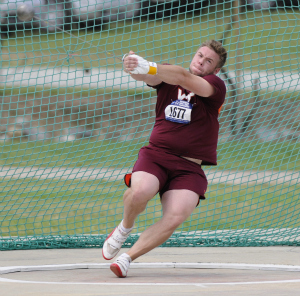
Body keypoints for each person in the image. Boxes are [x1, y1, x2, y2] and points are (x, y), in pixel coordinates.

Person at [102, 40, 227, 278]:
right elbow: (147, 77)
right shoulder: (167, 73)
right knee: (140, 192)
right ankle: (124, 228)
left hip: (189, 168)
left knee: (176, 215)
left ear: (216, 69)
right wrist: (134, 65)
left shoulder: (215, 86)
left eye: (208, 60)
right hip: (156, 156)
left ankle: (127, 258)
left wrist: (148, 66)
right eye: (200, 55)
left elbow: (184, 77)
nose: (201, 61)